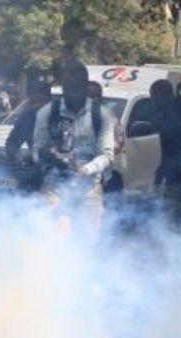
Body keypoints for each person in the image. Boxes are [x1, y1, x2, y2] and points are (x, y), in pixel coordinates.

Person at [33, 60, 115, 239]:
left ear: (86, 86)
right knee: (52, 241)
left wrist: (86, 169)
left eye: (78, 86)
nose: (73, 92)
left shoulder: (102, 115)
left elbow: (107, 155)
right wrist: (52, 157)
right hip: (55, 187)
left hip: (89, 188)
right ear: (63, 87)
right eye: (69, 86)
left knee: (87, 243)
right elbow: (38, 150)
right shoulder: (46, 113)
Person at [149, 79, 181, 229]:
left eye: (153, 96)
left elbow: (170, 150)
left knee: (172, 221)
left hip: (178, 178)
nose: (152, 101)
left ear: (161, 95)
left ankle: (176, 247)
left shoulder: (169, 116)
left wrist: (159, 178)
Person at [5, 80, 52, 193]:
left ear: (48, 99)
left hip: (61, 175)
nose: (37, 105)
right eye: (33, 101)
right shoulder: (27, 117)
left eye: (41, 101)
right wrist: (19, 157)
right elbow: (12, 143)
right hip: (35, 174)